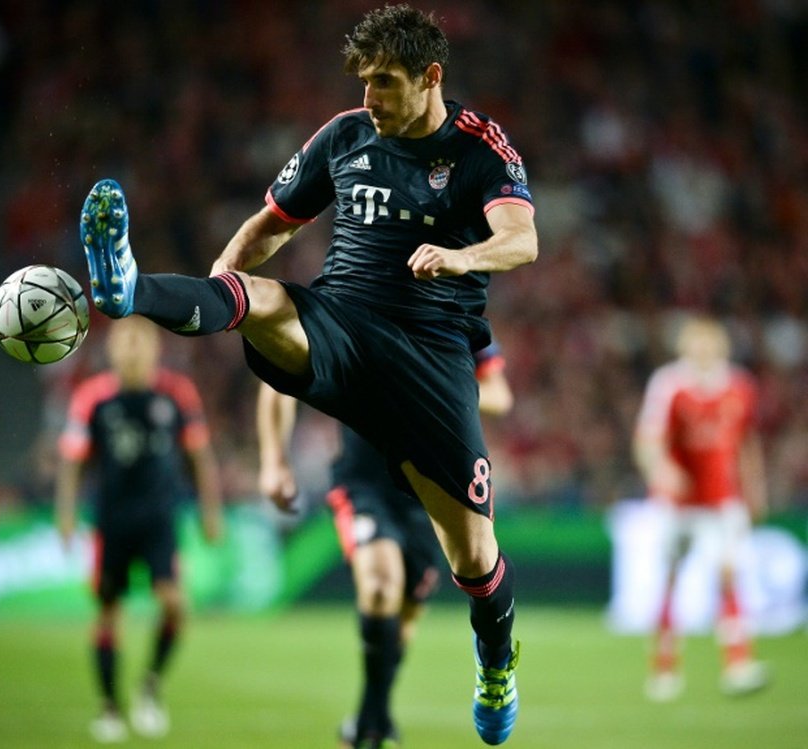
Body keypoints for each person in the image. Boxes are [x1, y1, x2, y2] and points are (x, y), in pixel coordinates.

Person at [78, 5, 537, 744]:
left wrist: (461, 256)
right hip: (341, 325)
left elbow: (522, 237)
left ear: (431, 78)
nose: (370, 99)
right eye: (363, 82)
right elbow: (267, 229)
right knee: (257, 298)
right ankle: (130, 290)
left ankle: (494, 662)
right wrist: (210, 291)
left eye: (386, 83)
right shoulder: (346, 137)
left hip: (429, 357)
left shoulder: (481, 147)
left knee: (475, 559)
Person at [258, 342, 513, 748]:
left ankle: (368, 721)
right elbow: (278, 371)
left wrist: (433, 384)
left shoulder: (455, 305)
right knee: (380, 587)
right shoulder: (357, 288)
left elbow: (500, 394)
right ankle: (373, 728)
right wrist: (274, 460)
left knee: (403, 625)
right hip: (365, 482)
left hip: (432, 492)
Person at [56, 315, 223, 743]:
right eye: (123, 342)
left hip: (158, 519)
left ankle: (150, 684)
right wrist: (66, 514)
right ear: (111, 351)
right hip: (111, 521)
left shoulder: (176, 394)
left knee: (174, 605)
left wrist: (210, 510)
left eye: (139, 341)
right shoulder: (92, 398)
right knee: (109, 611)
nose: (131, 349)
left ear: (154, 349)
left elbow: (200, 458)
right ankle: (110, 707)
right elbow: (73, 462)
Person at [633, 314, 769, 702]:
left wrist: (755, 486)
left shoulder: (740, 387)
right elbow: (647, 441)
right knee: (670, 580)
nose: (704, 351)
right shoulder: (669, 385)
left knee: (728, 575)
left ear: (722, 348)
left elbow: (746, 441)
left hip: (722, 500)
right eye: (698, 344)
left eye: (711, 344)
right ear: (685, 348)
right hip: (676, 505)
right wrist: (662, 471)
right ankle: (664, 666)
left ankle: (738, 664)